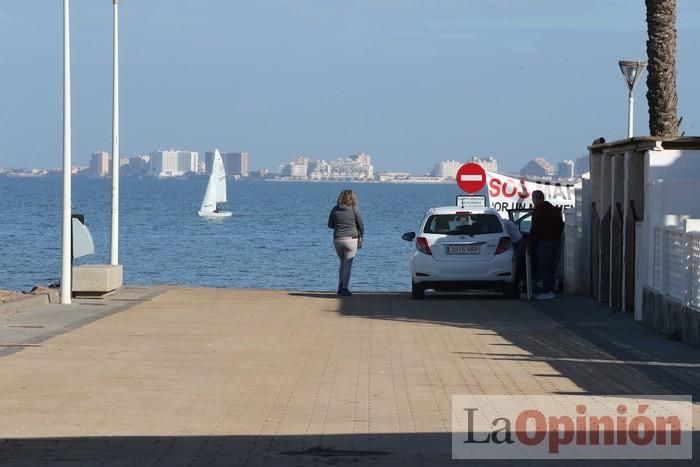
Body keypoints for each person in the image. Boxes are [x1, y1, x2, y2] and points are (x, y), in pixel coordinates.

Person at [328, 189, 364, 296]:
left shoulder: (335, 209)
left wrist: (339, 226)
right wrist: (361, 236)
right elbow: (361, 225)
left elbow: (330, 225)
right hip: (351, 239)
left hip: (338, 239)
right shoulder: (354, 209)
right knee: (347, 265)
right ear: (352, 198)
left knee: (342, 263)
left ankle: (340, 287)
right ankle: (344, 288)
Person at [529, 190, 564, 300]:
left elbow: (534, 229)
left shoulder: (538, 211)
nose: (533, 201)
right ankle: (550, 288)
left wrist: (529, 244)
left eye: (533, 199)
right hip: (556, 241)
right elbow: (561, 225)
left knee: (544, 266)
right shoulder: (554, 209)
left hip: (544, 242)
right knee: (552, 266)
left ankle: (547, 291)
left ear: (536, 199)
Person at [503, 218, 525, 290]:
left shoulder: (503, 224)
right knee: (517, 264)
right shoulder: (505, 222)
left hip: (517, 242)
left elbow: (504, 237)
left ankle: (518, 284)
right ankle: (519, 283)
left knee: (516, 264)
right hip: (518, 240)